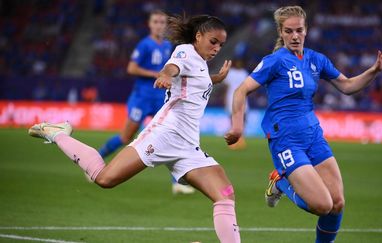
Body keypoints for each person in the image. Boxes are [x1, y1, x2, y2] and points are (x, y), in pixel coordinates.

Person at [28, 14, 240, 243]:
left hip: (188, 146)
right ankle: (58, 133)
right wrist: (165, 75)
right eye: (213, 41)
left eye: (221, 44)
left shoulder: (200, 63)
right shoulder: (186, 51)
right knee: (105, 179)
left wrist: (215, 79)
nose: (217, 48)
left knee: (225, 195)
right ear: (198, 36)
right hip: (163, 135)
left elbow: (194, 80)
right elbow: (173, 67)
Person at [225, 5, 382, 243]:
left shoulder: (317, 59)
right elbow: (241, 91)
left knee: (337, 203)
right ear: (281, 33)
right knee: (322, 205)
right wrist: (237, 127)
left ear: (306, 30)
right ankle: (281, 182)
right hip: (286, 140)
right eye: (289, 31)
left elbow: (347, 86)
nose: (295, 36)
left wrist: (375, 70)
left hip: (313, 136)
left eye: (299, 30)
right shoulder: (274, 61)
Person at [97, 10, 195, 194]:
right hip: (142, 97)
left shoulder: (167, 45)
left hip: (160, 97)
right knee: (126, 137)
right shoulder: (144, 45)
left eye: (161, 22)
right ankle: (97, 159)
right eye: (155, 22)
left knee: (170, 137)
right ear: (150, 25)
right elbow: (131, 68)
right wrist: (154, 74)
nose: (159, 25)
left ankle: (177, 183)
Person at [224, 58, 249, 150]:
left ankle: (241, 139)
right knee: (232, 119)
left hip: (243, 98)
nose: (239, 64)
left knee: (243, 118)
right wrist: (225, 98)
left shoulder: (244, 72)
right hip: (231, 97)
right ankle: (233, 141)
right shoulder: (231, 73)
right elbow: (226, 86)